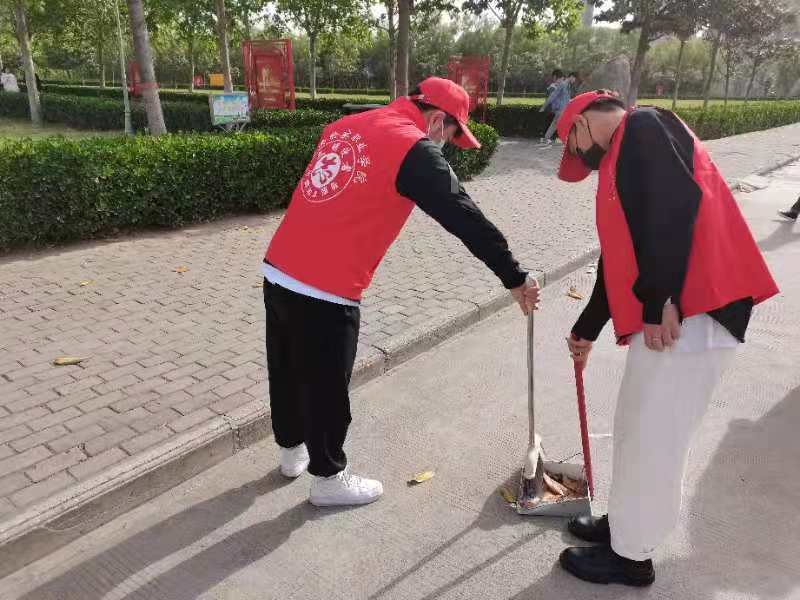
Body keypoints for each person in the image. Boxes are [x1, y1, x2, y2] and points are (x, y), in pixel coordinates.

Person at [261, 77, 540, 508]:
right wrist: (515, 277)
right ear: (436, 121)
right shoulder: (414, 147)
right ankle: (329, 478)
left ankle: (291, 452)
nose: (446, 146)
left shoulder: (347, 125)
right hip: (327, 287)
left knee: (286, 368)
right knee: (326, 385)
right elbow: (464, 216)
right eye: (450, 135)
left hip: (279, 267)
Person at [551, 91, 778, 586]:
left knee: (656, 438)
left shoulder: (644, 126)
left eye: (574, 148)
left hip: (694, 312)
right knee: (636, 427)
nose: (580, 160)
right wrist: (586, 328)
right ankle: (625, 525)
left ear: (582, 123)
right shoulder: (620, 154)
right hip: (676, 311)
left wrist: (660, 301)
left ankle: (632, 557)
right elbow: (618, 257)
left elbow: (675, 209)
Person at [540, 72, 577, 145]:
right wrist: (544, 106)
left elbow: (566, 98)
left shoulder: (568, 85)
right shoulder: (562, 84)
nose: (574, 81)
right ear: (571, 77)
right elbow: (553, 95)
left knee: (555, 124)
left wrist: (572, 101)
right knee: (560, 123)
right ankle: (559, 139)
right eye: (575, 79)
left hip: (564, 109)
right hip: (561, 109)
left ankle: (547, 139)